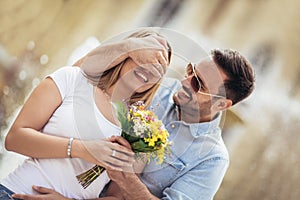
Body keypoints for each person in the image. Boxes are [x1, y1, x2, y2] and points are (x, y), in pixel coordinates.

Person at [12, 37, 255, 199]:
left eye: (197, 83)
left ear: (222, 104)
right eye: (191, 70)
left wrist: (127, 179)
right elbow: (79, 80)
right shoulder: (154, 91)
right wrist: (128, 46)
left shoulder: (212, 158)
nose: (184, 81)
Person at [0, 29, 172, 200]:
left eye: (158, 67)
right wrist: (83, 149)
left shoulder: (142, 130)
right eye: (145, 58)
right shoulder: (72, 79)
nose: (149, 69)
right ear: (125, 53)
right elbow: (14, 139)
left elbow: (116, 196)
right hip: (15, 194)